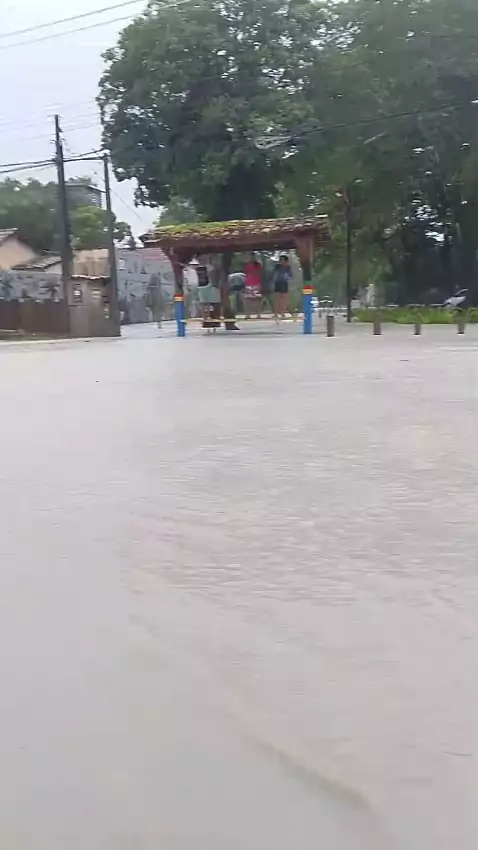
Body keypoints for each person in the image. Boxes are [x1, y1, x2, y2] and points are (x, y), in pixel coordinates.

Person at [272, 254, 293, 319]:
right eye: (280, 260)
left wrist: (288, 277)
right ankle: (276, 313)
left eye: (283, 260)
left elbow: (290, 275)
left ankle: (282, 313)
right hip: (278, 283)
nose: (281, 261)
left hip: (284, 283)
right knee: (277, 299)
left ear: (286, 261)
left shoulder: (288, 267)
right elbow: (274, 273)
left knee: (284, 299)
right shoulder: (277, 266)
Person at [243, 254, 263, 319]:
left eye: (253, 257)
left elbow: (260, 273)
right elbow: (245, 273)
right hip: (248, 283)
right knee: (247, 299)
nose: (252, 258)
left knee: (258, 299)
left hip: (256, 283)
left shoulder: (258, 265)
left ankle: (258, 314)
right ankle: (247, 314)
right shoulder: (246, 265)